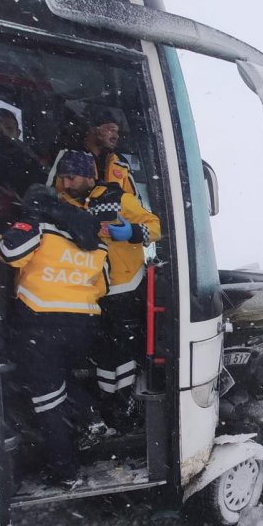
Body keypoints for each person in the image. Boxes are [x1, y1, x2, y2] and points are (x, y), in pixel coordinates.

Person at [0, 181, 109, 488]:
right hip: (83, 324)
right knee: (61, 378)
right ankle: (92, 416)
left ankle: (66, 472)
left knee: (47, 401)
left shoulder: (38, 226)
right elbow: (102, 286)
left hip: (41, 323)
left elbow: (10, 252)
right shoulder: (95, 239)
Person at [58, 150, 161, 430]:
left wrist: (133, 233)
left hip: (125, 287)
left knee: (125, 349)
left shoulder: (118, 198)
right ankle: (109, 402)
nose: (66, 184)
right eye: (63, 178)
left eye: (71, 177)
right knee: (102, 351)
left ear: (88, 176)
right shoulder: (63, 204)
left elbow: (155, 226)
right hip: (88, 291)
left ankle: (128, 401)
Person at [0, 108, 45, 237]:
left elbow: (39, 192)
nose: (4, 133)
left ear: (18, 132)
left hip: (25, 221)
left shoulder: (31, 159)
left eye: (8, 128)